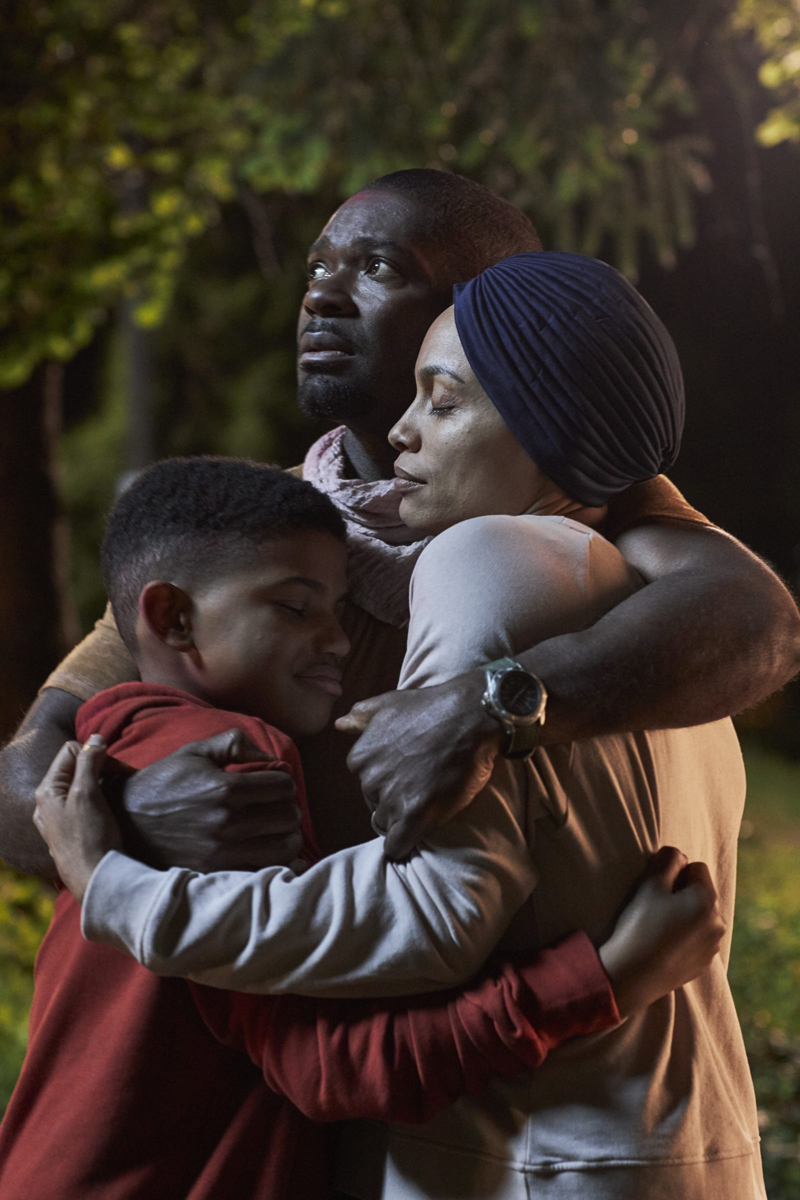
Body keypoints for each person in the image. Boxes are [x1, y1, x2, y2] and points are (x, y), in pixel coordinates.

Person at [35, 253, 765, 1197]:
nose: (401, 430)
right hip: (692, 1150)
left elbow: (434, 918)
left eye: (443, 401)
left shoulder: (481, 560)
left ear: (551, 430)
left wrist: (119, 890)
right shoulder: (678, 641)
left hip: (527, 1163)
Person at [0, 171, 798, 877]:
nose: (320, 296)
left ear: (486, 312)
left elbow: (761, 624)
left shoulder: (577, 491)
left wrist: (491, 708)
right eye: (317, 267)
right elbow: (21, 774)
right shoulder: (242, 532)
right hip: (325, 982)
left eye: (379, 268)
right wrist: (134, 816)